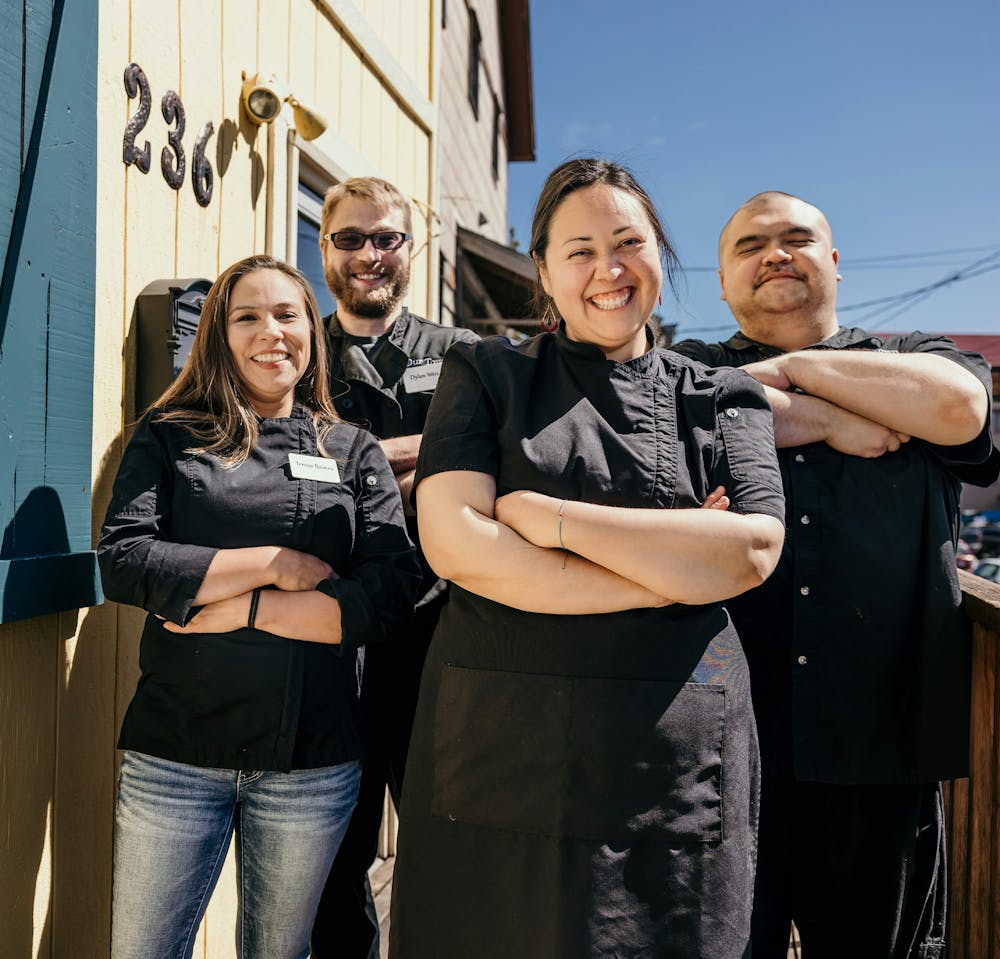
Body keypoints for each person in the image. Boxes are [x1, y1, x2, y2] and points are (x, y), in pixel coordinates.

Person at [387, 159, 787, 959]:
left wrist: (545, 519)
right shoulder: (486, 372)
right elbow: (454, 540)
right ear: (542, 270)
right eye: (579, 250)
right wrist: (670, 566)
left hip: (669, 771)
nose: (608, 270)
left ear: (659, 255)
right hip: (500, 754)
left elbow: (750, 550)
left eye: (628, 242)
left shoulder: (721, 394)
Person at [671, 191, 1000, 958]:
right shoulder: (682, 375)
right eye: (751, 245)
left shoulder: (917, 358)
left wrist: (787, 372)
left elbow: (963, 410)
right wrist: (829, 416)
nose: (775, 254)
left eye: (796, 239)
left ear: (836, 265)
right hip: (715, 756)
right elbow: (669, 434)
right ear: (722, 280)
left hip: (879, 749)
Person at [98, 254, 421, 959]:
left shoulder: (351, 449)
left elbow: (389, 593)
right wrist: (277, 567)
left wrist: (243, 609)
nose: (270, 331)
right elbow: (125, 559)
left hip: (309, 761)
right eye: (247, 316)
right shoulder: (170, 433)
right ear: (219, 334)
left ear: (313, 330)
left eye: (287, 314)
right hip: (174, 756)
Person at [309, 176, 479, 958]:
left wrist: (346, 459)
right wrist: (416, 460)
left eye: (386, 238)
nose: (369, 254)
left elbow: (486, 465)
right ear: (325, 248)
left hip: (439, 634)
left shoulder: (463, 358)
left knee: (448, 846)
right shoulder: (295, 348)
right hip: (323, 636)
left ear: (413, 249)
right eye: (351, 238)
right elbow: (275, 469)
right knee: (332, 856)